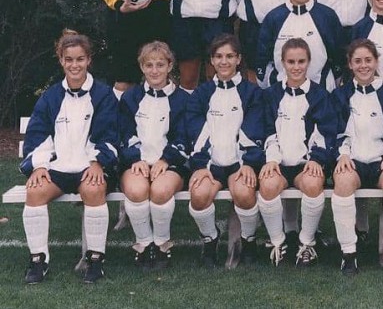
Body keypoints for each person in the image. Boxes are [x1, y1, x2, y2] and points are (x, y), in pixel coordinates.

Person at [20, 31, 118, 284]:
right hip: (59, 168)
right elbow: (38, 134)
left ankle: (95, 260)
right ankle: (38, 261)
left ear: (89, 60)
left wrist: (98, 162)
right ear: (61, 61)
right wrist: (39, 166)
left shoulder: (103, 94)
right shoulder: (51, 96)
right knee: (35, 192)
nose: (75, 65)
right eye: (69, 59)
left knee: (94, 190)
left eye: (80, 59)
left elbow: (110, 133)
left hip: (90, 167)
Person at [257, 38, 339, 268]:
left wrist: (317, 159)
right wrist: (272, 159)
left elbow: (326, 131)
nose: (296, 67)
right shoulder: (271, 94)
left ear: (309, 62)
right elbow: (266, 129)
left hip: (306, 163)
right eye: (291, 61)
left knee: (313, 184)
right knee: (268, 184)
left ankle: (306, 243)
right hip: (280, 162)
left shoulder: (320, 95)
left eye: (301, 61)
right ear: (282, 62)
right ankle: (278, 243)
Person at [186, 34, 265, 267]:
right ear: (211, 60)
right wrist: (200, 166)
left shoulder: (252, 93)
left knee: (243, 192)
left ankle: (248, 241)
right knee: (199, 194)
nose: (224, 62)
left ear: (239, 59)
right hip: (211, 164)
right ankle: (210, 240)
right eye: (219, 56)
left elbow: (254, 131)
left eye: (230, 56)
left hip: (239, 163)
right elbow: (196, 132)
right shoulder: (201, 93)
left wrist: (249, 163)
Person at [330, 39, 383, 275]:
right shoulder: (340, 95)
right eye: (358, 61)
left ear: (376, 62)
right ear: (350, 64)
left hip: (381, 159)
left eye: (368, 60)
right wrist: (342, 154)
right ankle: (349, 253)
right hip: (352, 159)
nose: (363, 66)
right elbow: (332, 130)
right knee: (342, 181)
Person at [119, 41, 189, 268]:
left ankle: (161, 244)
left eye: (160, 64)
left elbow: (184, 137)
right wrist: (135, 159)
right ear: (141, 67)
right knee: (137, 189)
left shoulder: (182, 99)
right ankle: (144, 244)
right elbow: (124, 132)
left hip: (169, 163)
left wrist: (166, 159)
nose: (155, 70)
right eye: (149, 65)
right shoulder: (131, 97)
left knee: (160, 190)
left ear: (170, 66)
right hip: (137, 162)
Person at [256, 0, 343, 90]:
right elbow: (263, 56)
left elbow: (337, 55)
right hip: (281, 91)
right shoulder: (274, 18)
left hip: (321, 89)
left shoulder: (327, 16)